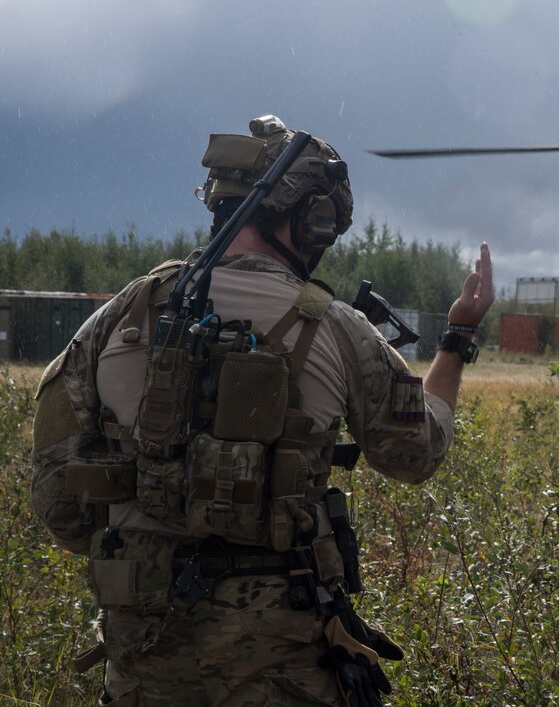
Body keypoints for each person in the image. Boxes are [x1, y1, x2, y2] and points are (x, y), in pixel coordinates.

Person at [29, 115, 494, 705]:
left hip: (143, 671)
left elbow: (57, 500)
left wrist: (152, 533)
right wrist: (457, 339)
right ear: (314, 219)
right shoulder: (338, 330)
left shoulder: (122, 315)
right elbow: (415, 453)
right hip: (287, 673)